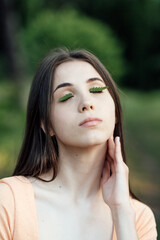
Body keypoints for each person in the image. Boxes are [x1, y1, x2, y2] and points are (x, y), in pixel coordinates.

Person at [0, 48, 157, 240]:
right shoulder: (8, 202)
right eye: (66, 96)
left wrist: (122, 211)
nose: (87, 102)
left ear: (115, 111)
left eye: (96, 90)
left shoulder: (138, 218)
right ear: (46, 124)